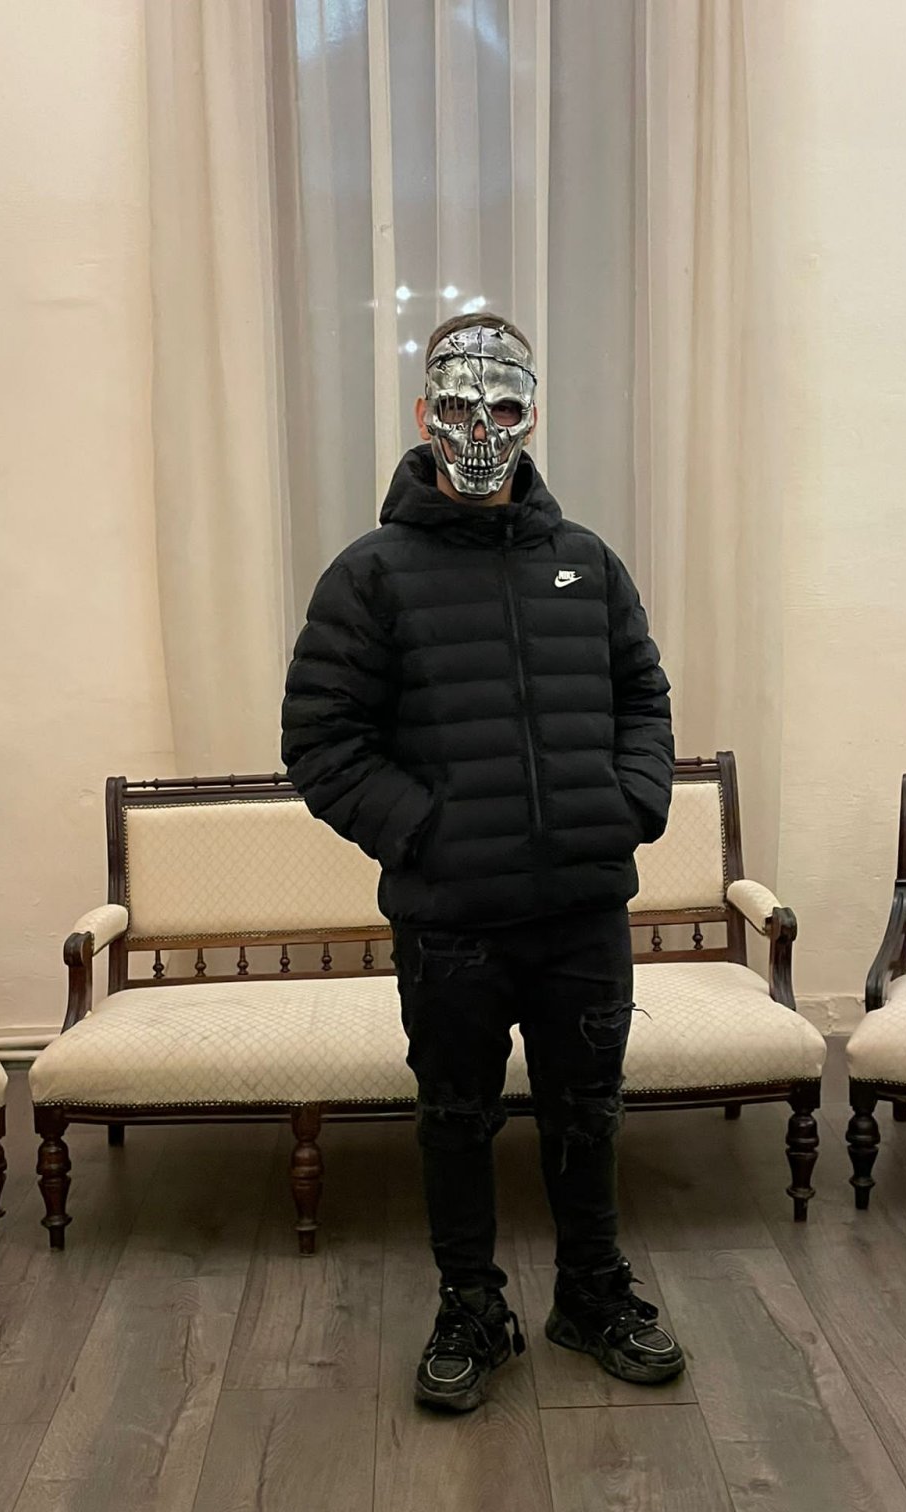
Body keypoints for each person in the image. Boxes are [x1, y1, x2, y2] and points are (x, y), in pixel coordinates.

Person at [282, 312, 684, 1411]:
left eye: (503, 407)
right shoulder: (369, 575)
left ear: (532, 418)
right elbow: (320, 740)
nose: (480, 429)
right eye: (458, 406)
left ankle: (592, 1294)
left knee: (588, 1111)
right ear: (424, 413)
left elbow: (644, 698)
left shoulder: (586, 564)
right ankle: (471, 1306)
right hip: (451, 920)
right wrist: (428, 830)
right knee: (455, 1117)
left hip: (583, 911)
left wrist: (629, 805)